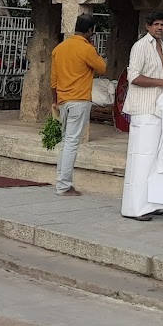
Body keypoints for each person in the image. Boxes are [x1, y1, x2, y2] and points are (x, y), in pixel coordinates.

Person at [121, 12, 163, 220]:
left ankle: (154, 202)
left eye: (162, 24)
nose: (159, 27)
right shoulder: (140, 46)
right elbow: (134, 77)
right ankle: (136, 208)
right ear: (148, 27)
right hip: (144, 108)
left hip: (160, 107)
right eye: (155, 24)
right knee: (142, 158)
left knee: (159, 158)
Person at [50, 13, 107, 197]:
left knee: (67, 141)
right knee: (71, 143)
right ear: (91, 31)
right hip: (79, 100)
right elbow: (102, 68)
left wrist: (55, 101)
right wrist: (93, 48)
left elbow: (53, 81)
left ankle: (61, 180)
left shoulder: (60, 48)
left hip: (63, 101)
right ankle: (64, 185)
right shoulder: (86, 49)